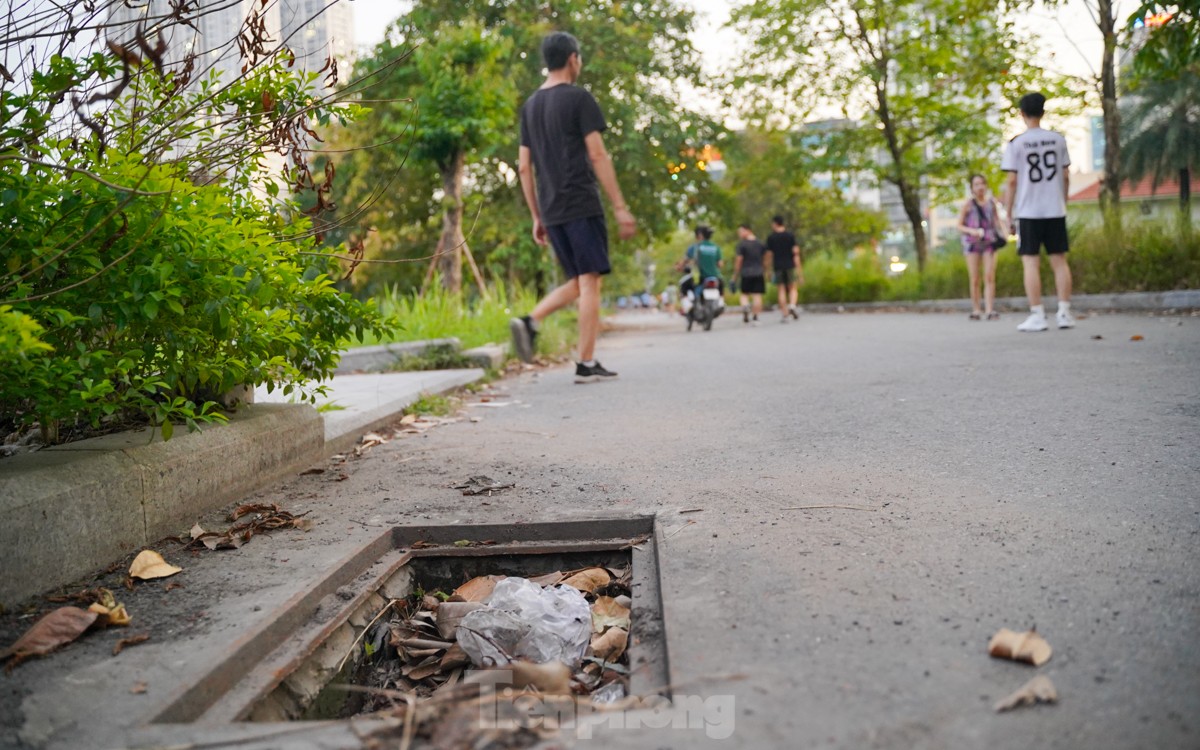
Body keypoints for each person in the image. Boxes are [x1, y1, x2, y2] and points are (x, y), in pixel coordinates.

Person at [510, 32, 637, 383]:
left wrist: (536, 215)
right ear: (572, 59)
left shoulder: (530, 106)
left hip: (551, 208)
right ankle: (585, 361)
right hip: (580, 201)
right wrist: (620, 206)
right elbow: (597, 153)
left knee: (580, 281)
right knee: (590, 281)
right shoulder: (579, 99)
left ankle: (530, 321)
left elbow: (524, 166)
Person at [1001, 92, 1074, 332]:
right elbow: (1065, 174)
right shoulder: (1058, 139)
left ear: (1022, 114)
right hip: (1055, 208)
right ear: (1043, 112)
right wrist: (1062, 201)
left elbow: (1012, 181)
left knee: (1030, 263)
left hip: (1029, 210)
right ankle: (1064, 312)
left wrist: (1008, 213)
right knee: (1059, 261)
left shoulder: (1016, 143)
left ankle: (1037, 314)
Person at [956, 174, 1006, 321]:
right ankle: (976, 309)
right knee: (975, 278)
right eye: (976, 184)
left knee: (990, 276)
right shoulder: (968, 205)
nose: (980, 187)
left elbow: (998, 222)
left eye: (982, 183)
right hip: (972, 244)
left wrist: (1005, 233)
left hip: (989, 242)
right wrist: (972, 231)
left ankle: (990, 309)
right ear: (972, 188)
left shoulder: (992, 203)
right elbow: (959, 225)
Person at [764, 215, 804, 323]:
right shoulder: (790, 235)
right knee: (792, 288)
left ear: (775, 223)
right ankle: (792, 305)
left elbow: (769, 254)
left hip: (778, 266)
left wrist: (767, 269)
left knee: (781, 290)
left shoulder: (771, 237)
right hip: (790, 265)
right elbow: (796, 252)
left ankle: (785, 314)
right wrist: (799, 271)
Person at [734, 223, 767, 324]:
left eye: (741, 232)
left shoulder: (742, 245)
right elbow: (765, 258)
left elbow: (739, 260)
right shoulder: (760, 244)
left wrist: (735, 274)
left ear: (748, 230)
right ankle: (756, 317)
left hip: (746, 273)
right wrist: (765, 269)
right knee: (757, 295)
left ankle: (745, 306)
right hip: (758, 272)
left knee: (744, 294)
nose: (739, 234)